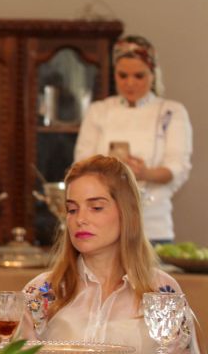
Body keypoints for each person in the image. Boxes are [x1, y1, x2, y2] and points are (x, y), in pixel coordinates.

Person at [18, 155, 199, 354]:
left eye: (96, 208)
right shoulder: (41, 291)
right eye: (72, 209)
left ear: (127, 212)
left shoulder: (162, 291)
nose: (80, 219)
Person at [74, 35, 192, 244]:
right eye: (123, 75)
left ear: (153, 74)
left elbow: (177, 167)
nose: (130, 83)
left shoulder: (171, 112)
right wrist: (109, 169)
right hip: (102, 226)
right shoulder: (99, 111)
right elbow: (81, 165)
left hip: (153, 225)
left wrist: (145, 173)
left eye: (139, 76)